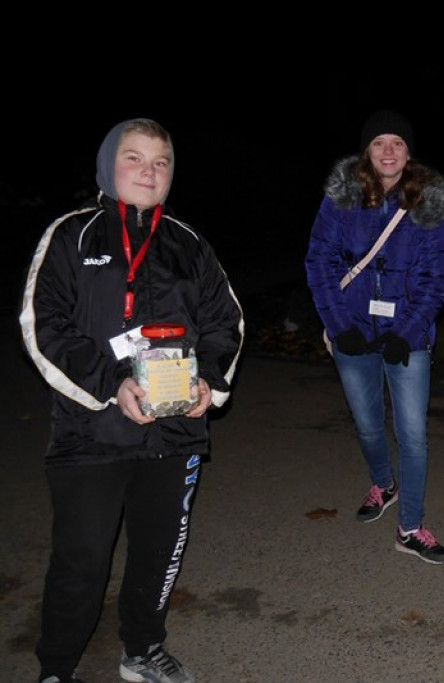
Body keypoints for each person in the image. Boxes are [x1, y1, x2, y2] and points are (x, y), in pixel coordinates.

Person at [19, 118, 244, 683]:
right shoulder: (71, 236)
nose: (149, 171)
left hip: (175, 433)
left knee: (159, 553)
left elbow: (226, 322)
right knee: (82, 559)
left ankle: (142, 649)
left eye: (161, 162)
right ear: (107, 165)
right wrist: (110, 383)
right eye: (135, 158)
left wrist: (207, 383)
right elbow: (44, 327)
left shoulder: (190, 243)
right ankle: (56, 667)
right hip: (90, 433)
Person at [305, 109, 444, 564]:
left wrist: (407, 332)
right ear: (366, 152)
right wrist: (339, 326)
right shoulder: (341, 200)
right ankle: (383, 484)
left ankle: (409, 527)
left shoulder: (427, 203)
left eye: (397, 143)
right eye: (378, 143)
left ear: (408, 153)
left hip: (408, 339)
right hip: (352, 332)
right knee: (368, 424)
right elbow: (320, 263)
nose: (388, 151)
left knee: (413, 435)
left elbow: (438, 277)